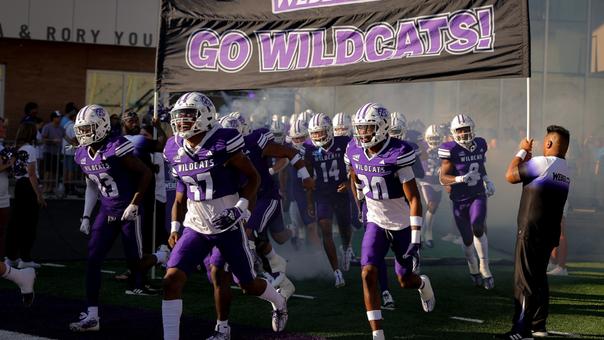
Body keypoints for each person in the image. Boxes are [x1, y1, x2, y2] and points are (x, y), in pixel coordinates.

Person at [162, 92, 288, 340]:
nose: (181, 121)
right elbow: (181, 192)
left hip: (227, 225)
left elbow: (254, 178)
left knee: (247, 285)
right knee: (171, 281)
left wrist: (240, 209)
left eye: (188, 115)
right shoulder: (173, 147)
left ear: (205, 116)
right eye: (179, 116)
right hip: (196, 226)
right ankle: (206, 332)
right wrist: (175, 226)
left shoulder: (224, 141)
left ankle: (279, 301)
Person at [69, 105, 169, 332]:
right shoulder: (82, 153)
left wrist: (135, 203)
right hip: (106, 210)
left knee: (135, 265)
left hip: (127, 210)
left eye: (88, 128)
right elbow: (92, 186)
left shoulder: (117, 146)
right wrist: (86, 215)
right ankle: (92, 316)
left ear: (102, 126)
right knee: (93, 259)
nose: (83, 133)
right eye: (81, 129)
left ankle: (161, 256)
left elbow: (145, 173)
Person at [346, 103, 435, 340]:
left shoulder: (399, 152)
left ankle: (422, 284)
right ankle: (378, 333)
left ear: (383, 127)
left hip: (401, 224)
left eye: (368, 128)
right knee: (367, 273)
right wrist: (360, 203)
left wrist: (416, 238)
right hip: (375, 220)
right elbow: (355, 174)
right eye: (360, 128)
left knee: (405, 280)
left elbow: (414, 197)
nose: (362, 133)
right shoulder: (353, 148)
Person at [500, 125, 571, 340]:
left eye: (544, 142)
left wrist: (521, 151)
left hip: (531, 230)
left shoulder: (542, 163)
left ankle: (521, 329)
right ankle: (538, 325)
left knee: (524, 281)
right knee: (539, 278)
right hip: (549, 231)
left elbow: (510, 176)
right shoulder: (566, 169)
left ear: (549, 143)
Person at [438, 114, 496, 289]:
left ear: (473, 129)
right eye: (459, 130)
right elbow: (443, 178)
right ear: (453, 133)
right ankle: (473, 268)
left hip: (477, 194)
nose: (463, 133)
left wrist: (486, 179)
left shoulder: (480, 144)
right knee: (467, 238)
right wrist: (460, 179)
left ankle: (485, 269)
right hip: (459, 198)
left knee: (478, 226)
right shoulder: (450, 149)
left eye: (466, 129)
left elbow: (480, 164)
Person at [305, 112, 351, 287]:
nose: (317, 136)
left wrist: (348, 182)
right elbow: (308, 177)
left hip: (341, 193)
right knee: (326, 230)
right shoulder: (309, 149)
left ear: (330, 130)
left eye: (321, 132)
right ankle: (337, 272)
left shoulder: (343, 142)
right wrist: (309, 201)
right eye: (314, 133)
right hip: (322, 194)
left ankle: (346, 248)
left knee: (345, 229)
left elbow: (354, 166)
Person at [5, 123, 46, 270]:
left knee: (16, 222)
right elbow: (32, 174)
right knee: (29, 223)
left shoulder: (16, 148)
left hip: (18, 186)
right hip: (28, 187)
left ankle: (11, 257)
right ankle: (25, 258)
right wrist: (39, 195)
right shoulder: (30, 149)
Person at [419, 124, 444, 248]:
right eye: (432, 139)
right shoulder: (421, 147)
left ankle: (423, 234)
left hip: (438, 182)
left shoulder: (444, 148)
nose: (434, 141)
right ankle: (427, 234)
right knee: (431, 206)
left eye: (436, 139)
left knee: (433, 210)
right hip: (425, 180)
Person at [41, 110, 65, 193]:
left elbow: (66, 137)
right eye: (58, 117)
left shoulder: (61, 128)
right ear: (53, 118)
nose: (59, 119)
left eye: (60, 117)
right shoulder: (47, 127)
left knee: (54, 171)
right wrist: (52, 141)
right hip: (48, 151)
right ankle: (45, 186)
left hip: (57, 153)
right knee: (48, 170)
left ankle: (51, 187)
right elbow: (43, 139)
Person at [0, 118, 14, 259]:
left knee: (2, 230)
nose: (5, 130)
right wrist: (12, 163)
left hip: (3, 193)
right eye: (2, 127)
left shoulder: (2, 146)